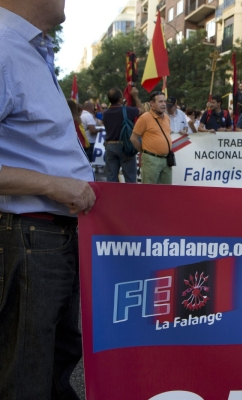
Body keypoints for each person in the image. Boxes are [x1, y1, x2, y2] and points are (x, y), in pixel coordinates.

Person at [0, 2, 96, 398]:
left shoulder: (30, 50)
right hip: (28, 238)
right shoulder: (4, 49)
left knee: (54, 360)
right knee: (26, 372)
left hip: (50, 237)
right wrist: (54, 186)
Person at [103, 86, 145, 183]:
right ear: (120, 99)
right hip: (125, 146)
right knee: (130, 178)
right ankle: (130, 197)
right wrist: (135, 96)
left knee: (111, 178)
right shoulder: (127, 110)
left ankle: (112, 197)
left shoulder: (105, 113)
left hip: (109, 146)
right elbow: (142, 110)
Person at [130, 91, 173, 184]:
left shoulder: (167, 118)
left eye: (164, 101)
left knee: (167, 191)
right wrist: (144, 152)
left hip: (166, 160)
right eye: (160, 102)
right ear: (152, 104)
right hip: (151, 160)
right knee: (150, 191)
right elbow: (133, 138)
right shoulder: (145, 118)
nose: (163, 104)